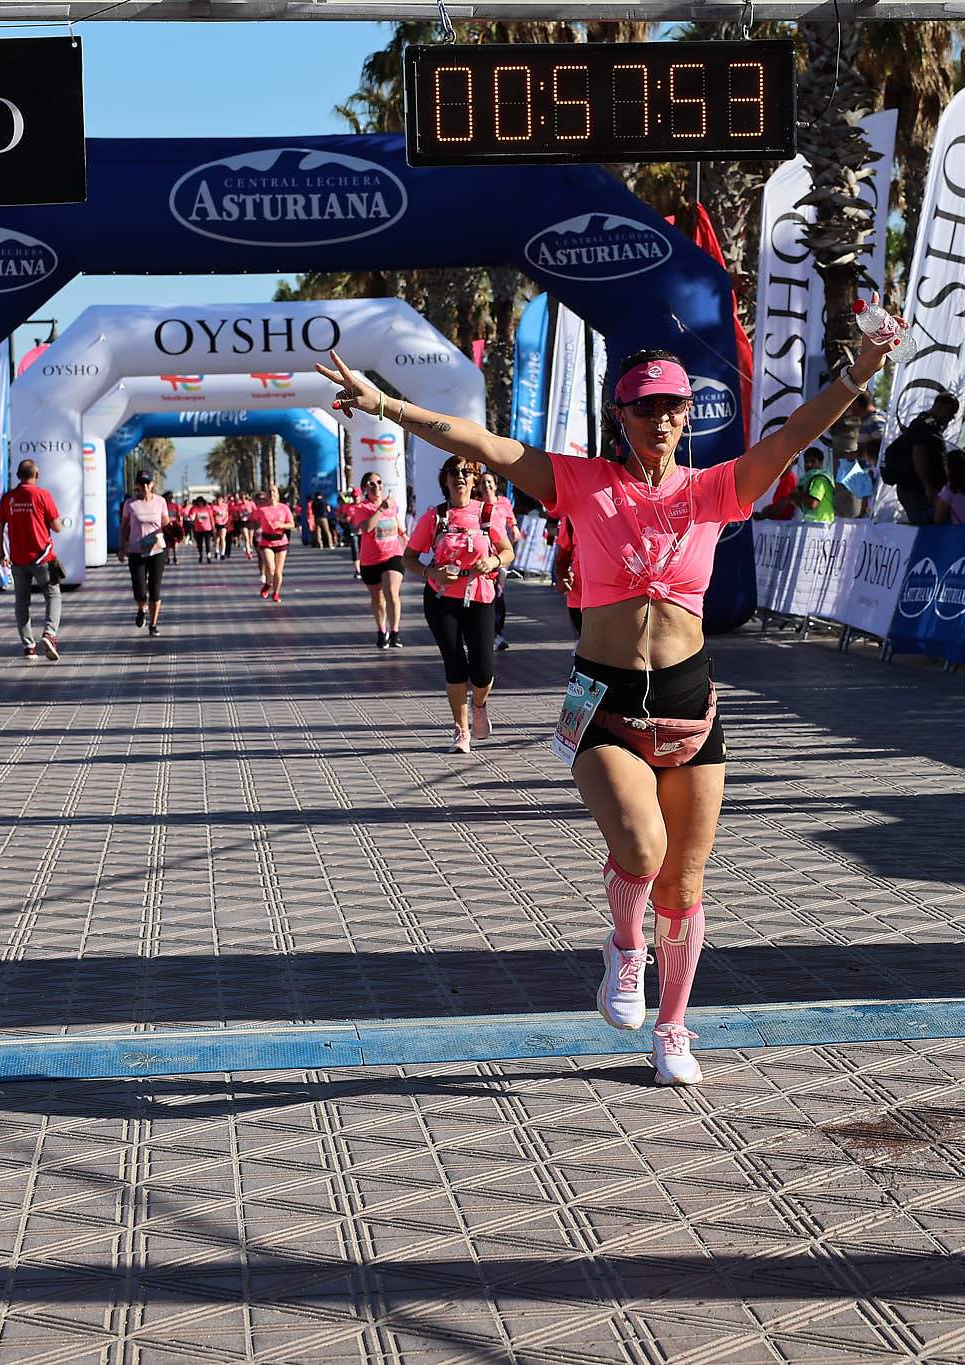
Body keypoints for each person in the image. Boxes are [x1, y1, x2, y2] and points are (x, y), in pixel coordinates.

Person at [317, 318, 900, 1085]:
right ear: (618, 416)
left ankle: (673, 1030)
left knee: (686, 886)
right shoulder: (582, 484)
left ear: (689, 413)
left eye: (675, 407)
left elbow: (791, 436)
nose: (663, 420)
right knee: (643, 850)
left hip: (693, 705)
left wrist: (856, 374)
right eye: (646, 408)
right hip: (604, 702)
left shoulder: (713, 489)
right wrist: (383, 404)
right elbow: (479, 441)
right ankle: (625, 948)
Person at [403, 459, 513, 752]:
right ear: (446, 480)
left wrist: (492, 561)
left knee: (482, 670)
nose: (460, 477)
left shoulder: (487, 513)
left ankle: (479, 704)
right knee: (454, 664)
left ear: (475, 479)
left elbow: (507, 552)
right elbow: (409, 558)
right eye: (454, 472)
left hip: (480, 597)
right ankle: (461, 730)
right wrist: (431, 572)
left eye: (467, 472)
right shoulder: (435, 517)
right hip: (442, 599)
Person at [0, 458, 68, 661]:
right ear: (37, 475)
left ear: (18, 476)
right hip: (43, 557)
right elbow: (57, 527)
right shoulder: (43, 495)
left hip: (18, 559)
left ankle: (29, 647)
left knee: (22, 602)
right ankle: (49, 635)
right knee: (53, 595)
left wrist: (1, 555)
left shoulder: (9, 498)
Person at [341, 473, 407, 648]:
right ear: (365, 488)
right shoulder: (361, 508)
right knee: (378, 599)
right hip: (370, 560)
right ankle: (381, 631)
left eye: (379, 482)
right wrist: (380, 510)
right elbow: (367, 528)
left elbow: (397, 522)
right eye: (371, 483)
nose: (376, 485)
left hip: (393, 555)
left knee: (391, 592)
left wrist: (404, 535)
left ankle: (395, 632)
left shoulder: (392, 504)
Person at [886, 395, 959, 525]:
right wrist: (928, 487)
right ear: (940, 407)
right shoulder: (923, 425)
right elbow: (919, 456)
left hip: (921, 489)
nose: (951, 418)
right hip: (917, 490)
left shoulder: (931, 426)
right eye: (951, 413)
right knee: (924, 526)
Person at [120, 470, 170, 635]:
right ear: (137, 486)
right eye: (141, 484)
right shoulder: (130, 504)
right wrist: (122, 546)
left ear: (152, 484)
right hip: (136, 551)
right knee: (140, 590)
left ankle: (153, 624)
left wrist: (173, 531)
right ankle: (142, 609)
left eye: (147, 483)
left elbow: (165, 523)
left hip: (157, 550)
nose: (145, 487)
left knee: (155, 588)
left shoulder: (160, 502)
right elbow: (124, 526)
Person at [475, 469, 519, 652]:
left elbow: (511, 520)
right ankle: (483, 634)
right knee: (484, 595)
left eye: (489, 482)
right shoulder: (475, 505)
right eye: (483, 482)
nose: (486, 485)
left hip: (501, 557)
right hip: (483, 557)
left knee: (498, 594)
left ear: (495, 484)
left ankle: (498, 634)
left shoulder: (504, 503)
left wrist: (514, 528)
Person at [251, 484, 296, 601]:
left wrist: (281, 525)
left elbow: (292, 524)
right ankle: (267, 584)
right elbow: (253, 520)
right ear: (267, 494)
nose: (272, 494)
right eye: (270, 491)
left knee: (278, 571)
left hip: (281, 540)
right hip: (266, 541)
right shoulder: (261, 509)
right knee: (270, 568)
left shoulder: (284, 508)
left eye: (274, 491)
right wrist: (256, 529)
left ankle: (276, 593)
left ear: (278, 493)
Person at [793, 450, 837, 523]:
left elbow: (812, 504)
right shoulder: (807, 480)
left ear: (821, 463)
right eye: (806, 462)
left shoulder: (820, 479)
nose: (809, 465)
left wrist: (798, 494)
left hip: (820, 524)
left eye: (813, 462)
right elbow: (804, 505)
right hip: (813, 523)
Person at [189, 497, 217, 563]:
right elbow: (192, 516)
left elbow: (211, 518)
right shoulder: (195, 508)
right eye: (198, 502)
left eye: (201, 502)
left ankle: (208, 556)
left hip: (207, 529)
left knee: (207, 543)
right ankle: (200, 555)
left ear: (203, 502)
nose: (200, 503)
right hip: (198, 529)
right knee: (199, 544)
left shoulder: (207, 508)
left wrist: (213, 527)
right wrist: (191, 517)